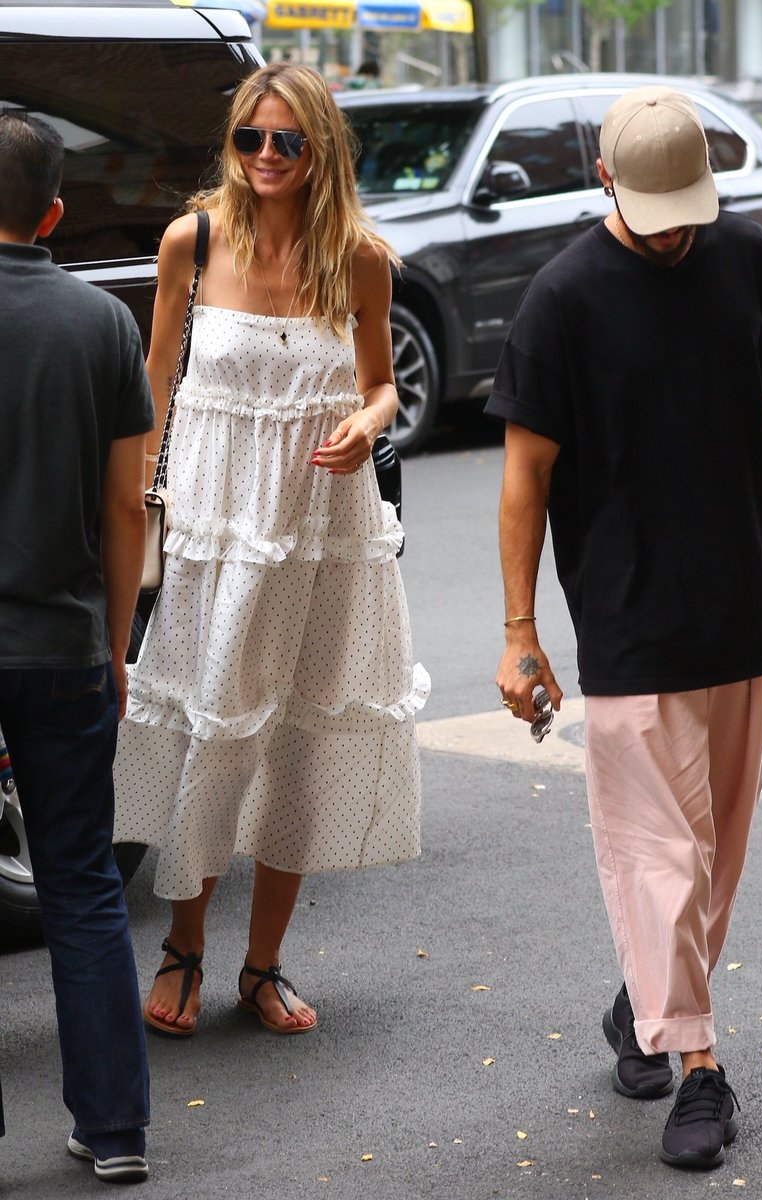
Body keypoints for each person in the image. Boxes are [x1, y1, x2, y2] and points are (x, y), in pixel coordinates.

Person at [486, 86, 762, 1169]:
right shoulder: (561, 300)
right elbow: (524, 478)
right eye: (652, 210)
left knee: (710, 859)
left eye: (686, 211)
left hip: (737, 605)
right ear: (605, 180)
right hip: (625, 619)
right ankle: (700, 1068)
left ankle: (646, 1003)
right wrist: (520, 630)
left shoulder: (750, 260)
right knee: (657, 855)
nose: (673, 233)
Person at [113, 62, 429, 1038]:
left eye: (286, 140)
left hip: (323, 531)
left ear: (320, 149)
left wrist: (367, 423)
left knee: (299, 741)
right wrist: (140, 496)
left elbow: (380, 383)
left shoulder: (359, 259)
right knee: (213, 734)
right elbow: (155, 378)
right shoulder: (194, 240)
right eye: (249, 138)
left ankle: (263, 966)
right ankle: (184, 949)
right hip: (217, 529)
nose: (264, 156)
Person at [0, 110, 151, 1181]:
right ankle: (114, 1131)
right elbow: (126, 505)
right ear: (54, 212)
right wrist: (116, 639)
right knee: (84, 885)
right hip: (62, 642)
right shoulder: (102, 324)